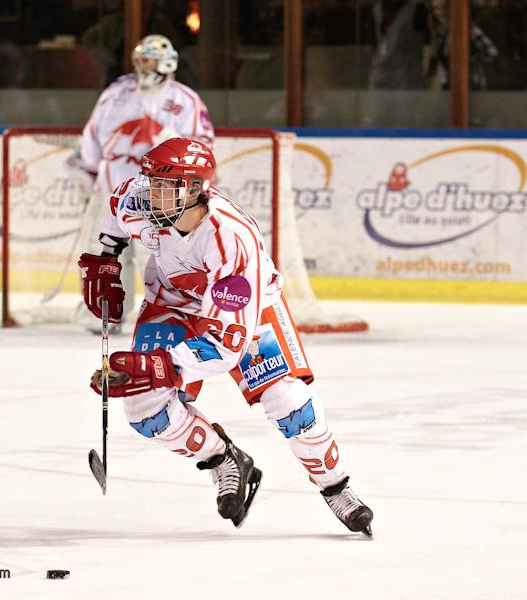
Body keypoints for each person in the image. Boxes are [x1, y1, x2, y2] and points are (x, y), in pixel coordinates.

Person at [77, 138, 374, 536]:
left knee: (289, 403)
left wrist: (160, 365)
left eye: (165, 187)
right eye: (152, 183)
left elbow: (225, 348)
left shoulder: (231, 240)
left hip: (244, 311)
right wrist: (106, 259)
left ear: (196, 190)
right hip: (173, 301)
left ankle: (337, 488)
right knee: (144, 410)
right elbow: (117, 208)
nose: (151, 194)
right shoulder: (142, 202)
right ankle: (224, 461)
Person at [69, 34, 214, 332]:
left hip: (162, 194)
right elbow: (93, 132)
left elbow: (203, 143)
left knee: (161, 253)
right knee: (107, 251)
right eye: (139, 59)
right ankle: (107, 313)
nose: (141, 66)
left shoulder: (185, 99)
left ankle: (168, 313)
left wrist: (179, 157)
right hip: (113, 188)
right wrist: (90, 169)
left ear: (166, 62)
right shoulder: (117, 91)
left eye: (148, 59)